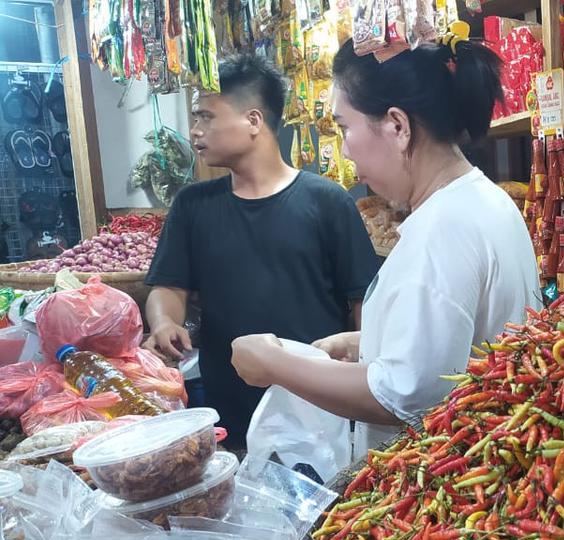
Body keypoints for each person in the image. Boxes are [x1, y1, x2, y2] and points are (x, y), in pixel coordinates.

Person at [230, 30, 540, 455]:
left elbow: (400, 396)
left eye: (345, 128)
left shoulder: (443, 229)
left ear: (397, 126)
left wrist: (275, 364)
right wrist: (367, 341)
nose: (347, 151)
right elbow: (459, 342)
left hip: (451, 481)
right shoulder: (483, 200)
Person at [145, 54, 379, 451]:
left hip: (320, 414)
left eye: (206, 117)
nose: (195, 131)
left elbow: (363, 304)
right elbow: (168, 285)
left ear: (253, 121)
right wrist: (165, 322)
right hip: (230, 418)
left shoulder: (327, 202)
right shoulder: (192, 206)